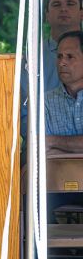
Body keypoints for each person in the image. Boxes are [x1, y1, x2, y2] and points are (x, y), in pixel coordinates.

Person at [20, 0, 83, 137]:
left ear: (81, 13)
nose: (63, 9)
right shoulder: (31, 59)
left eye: (70, 4)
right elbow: (23, 112)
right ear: (46, 15)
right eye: (56, 5)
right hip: (43, 152)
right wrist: (41, 139)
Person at [44, 30, 83, 222]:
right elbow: (41, 149)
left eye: (70, 57)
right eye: (59, 56)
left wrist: (55, 142)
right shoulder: (46, 102)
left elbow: (48, 143)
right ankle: (55, 252)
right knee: (31, 199)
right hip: (55, 186)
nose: (62, 62)